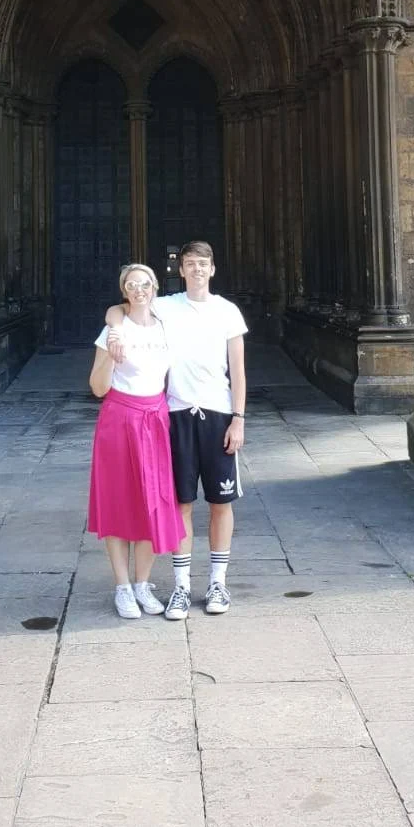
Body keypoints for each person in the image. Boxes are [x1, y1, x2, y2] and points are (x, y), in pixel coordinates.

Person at [106, 240, 247, 620]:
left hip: (218, 413)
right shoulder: (165, 305)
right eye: (190, 264)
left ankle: (218, 582)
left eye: (203, 263)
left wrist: (239, 418)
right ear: (180, 270)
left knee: (221, 502)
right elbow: (122, 306)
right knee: (181, 502)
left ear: (213, 269)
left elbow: (238, 369)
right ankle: (182, 587)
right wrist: (115, 330)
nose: (197, 269)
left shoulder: (228, 312)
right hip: (177, 414)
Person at [88, 262, 186, 620]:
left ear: (155, 286)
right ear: (124, 290)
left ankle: (143, 584)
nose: (139, 290)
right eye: (131, 285)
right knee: (118, 501)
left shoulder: (166, 322)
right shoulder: (114, 330)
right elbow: (97, 388)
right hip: (119, 419)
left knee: (154, 501)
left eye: (144, 284)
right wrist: (111, 359)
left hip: (157, 419)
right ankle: (122, 587)